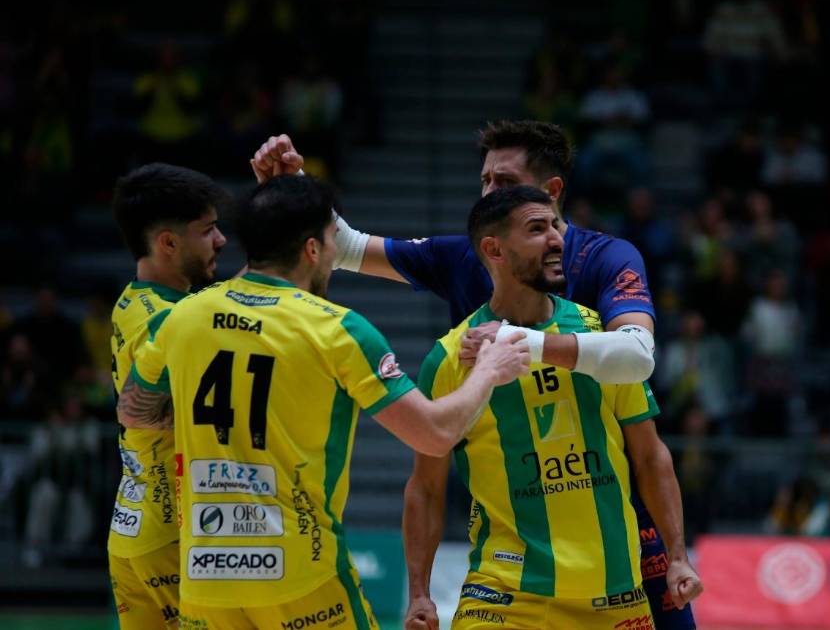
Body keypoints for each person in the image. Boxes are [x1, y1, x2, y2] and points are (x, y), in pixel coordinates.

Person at [251, 120, 698, 629]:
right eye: (484, 180)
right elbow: (348, 247)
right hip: (512, 561)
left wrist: (518, 345)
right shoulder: (467, 259)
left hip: (621, 522)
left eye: (504, 183)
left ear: (551, 194)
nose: (487, 192)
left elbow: (638, 355)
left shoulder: (605, 256)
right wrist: (295, 188)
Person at [115, 174, 529, 629]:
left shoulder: (181, 319)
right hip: (301, 577)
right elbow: (433, 435)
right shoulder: (335, 329)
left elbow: (133, 412)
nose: (335, 255)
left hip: (206, 580)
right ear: (312, 249)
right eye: (333, 241)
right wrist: (490, 369)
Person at [400, 187, 701, 630]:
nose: (557, 239)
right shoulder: (451, 358)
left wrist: (677, 556)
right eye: (537, 229)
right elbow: (426, 487)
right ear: (494, 249)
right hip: (505, 596)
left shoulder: (598, 339)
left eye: (555, 226)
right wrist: (420, 593)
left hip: (615, 595)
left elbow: (650, 456)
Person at [107, 163, 229, 628]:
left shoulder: (131, 302)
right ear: (169, 243)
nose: (219, 240)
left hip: (131, 526)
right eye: (208, 230)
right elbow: (140, 411)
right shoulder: (175, 321)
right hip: (177, 533)